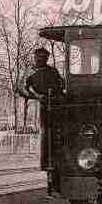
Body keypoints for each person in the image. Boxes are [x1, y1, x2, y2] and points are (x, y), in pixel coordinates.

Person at [21, 48, 64, 190]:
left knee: (60, 138)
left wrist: (59, 92)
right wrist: (37, 96)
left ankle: (59, 174)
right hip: (42, 107)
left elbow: (60, 85)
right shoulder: (30, 71)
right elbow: (22, 89)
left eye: (45, 57)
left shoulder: (52, 71)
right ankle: (49, 173)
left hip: (57, 106)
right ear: (35, 57)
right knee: (47, 138)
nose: (42, 59)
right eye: (39, 57)